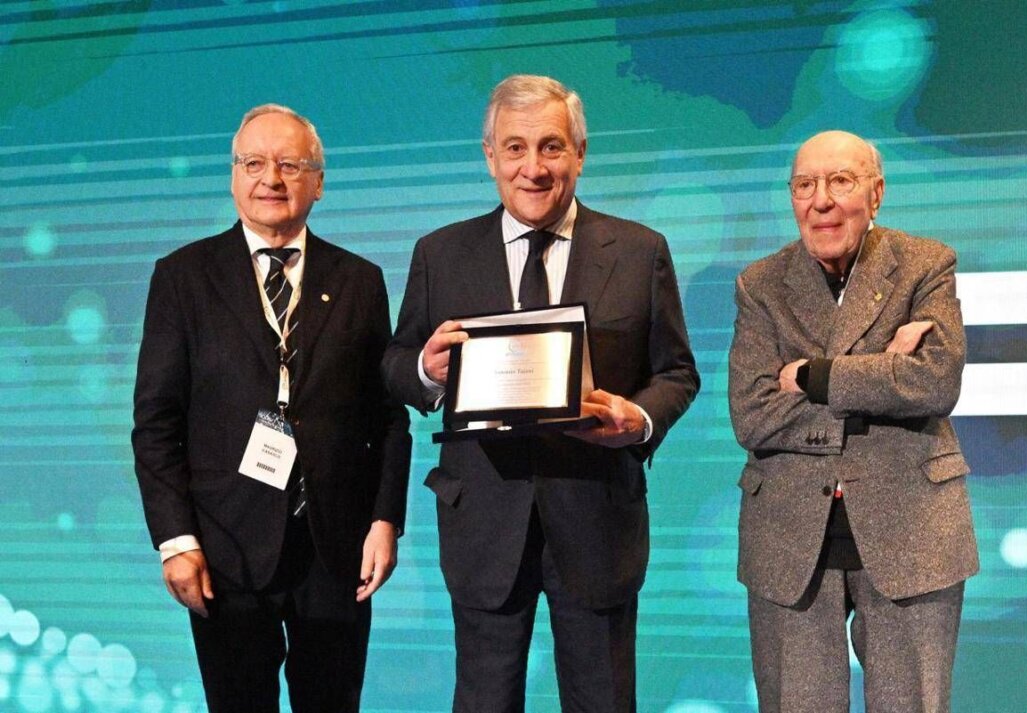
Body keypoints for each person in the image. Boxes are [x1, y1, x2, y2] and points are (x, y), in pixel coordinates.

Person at [382, 74, 699, 712]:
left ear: (580, 154)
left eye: (552, 146)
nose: (534, 167)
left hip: (599, 518)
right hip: (482, 523)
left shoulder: (640, 251)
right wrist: (426, 370)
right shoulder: (440, 253)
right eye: (515, 148)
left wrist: (636, 420)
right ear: (490, 157)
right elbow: (395, 364)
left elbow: (676, 373)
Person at [131, 104, 411, 713]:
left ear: (319, 182)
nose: (271, 179)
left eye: (290, 165)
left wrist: (385, 520)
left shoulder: (360, 280)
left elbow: (389, 416)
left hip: (335, 549)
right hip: (224, 548)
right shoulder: (182, 277)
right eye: (253, 163)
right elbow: (156, 424)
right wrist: (175, 540)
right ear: (234, 176)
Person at [728, 130, 979, 713]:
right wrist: (883, 374)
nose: (821, 201)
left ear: (876, 193)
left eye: (841, 181)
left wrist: (812, 377)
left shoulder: (925, 264)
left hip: (911, 528)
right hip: (789, 535)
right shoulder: (759, 285)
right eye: (804, 185)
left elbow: (935, 382)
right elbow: (752, 414)